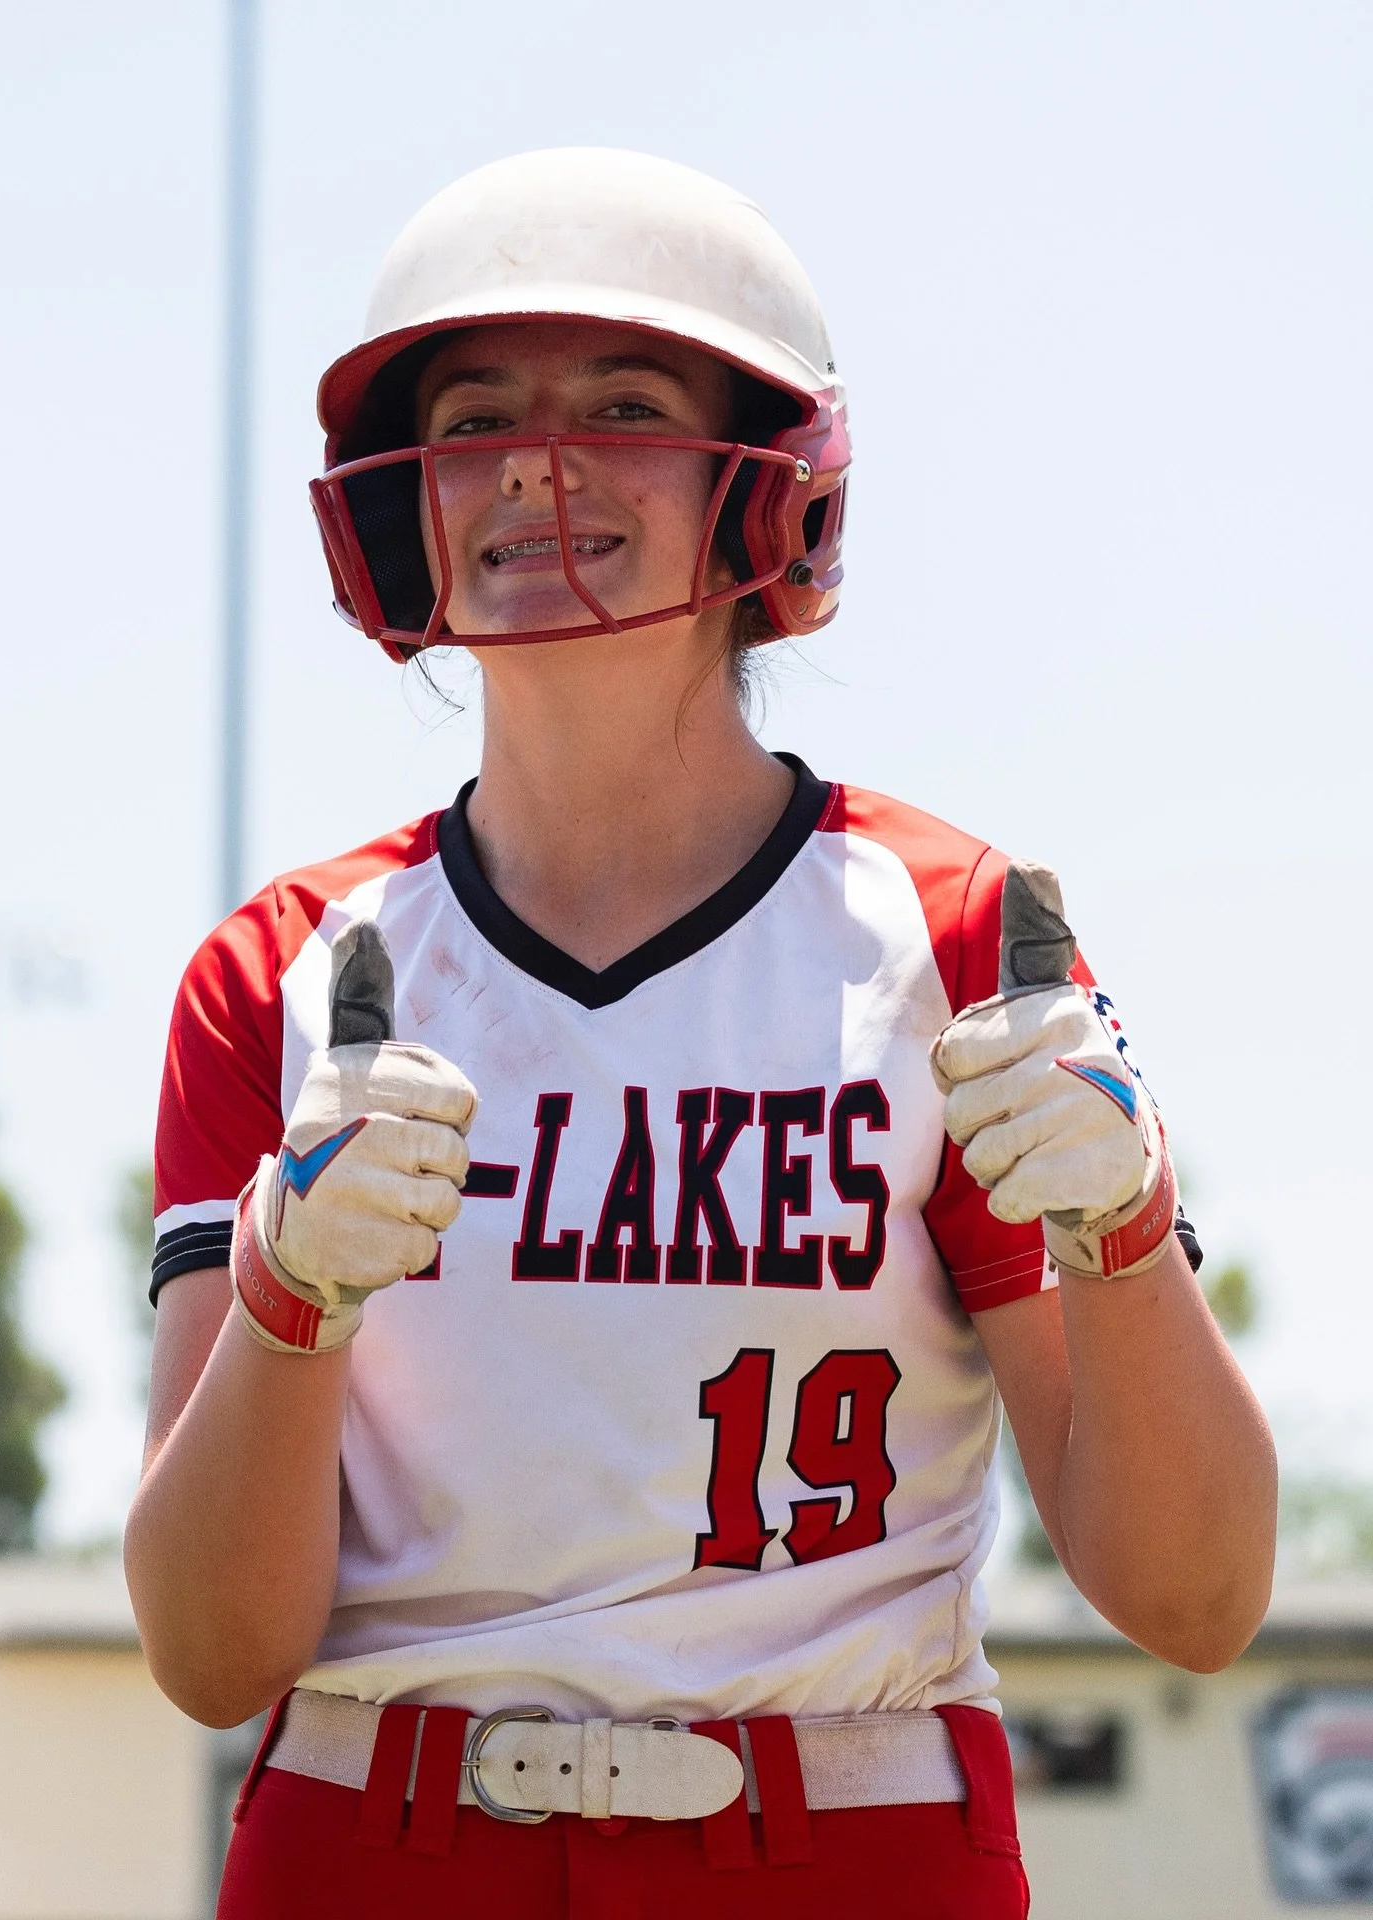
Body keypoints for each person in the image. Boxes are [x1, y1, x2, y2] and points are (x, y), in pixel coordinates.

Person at [124, 149, 1277, 1920]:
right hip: (380, 1840)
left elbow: (1196, 1598)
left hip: (846, 1837)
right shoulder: (284, 970)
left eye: (626, 401)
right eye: (479, 412)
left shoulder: (956, 938)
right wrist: (290, 1302)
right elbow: (210, 1655)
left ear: (775, 487)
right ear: (397, 501)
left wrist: (1125, 1241)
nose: (536, 459)